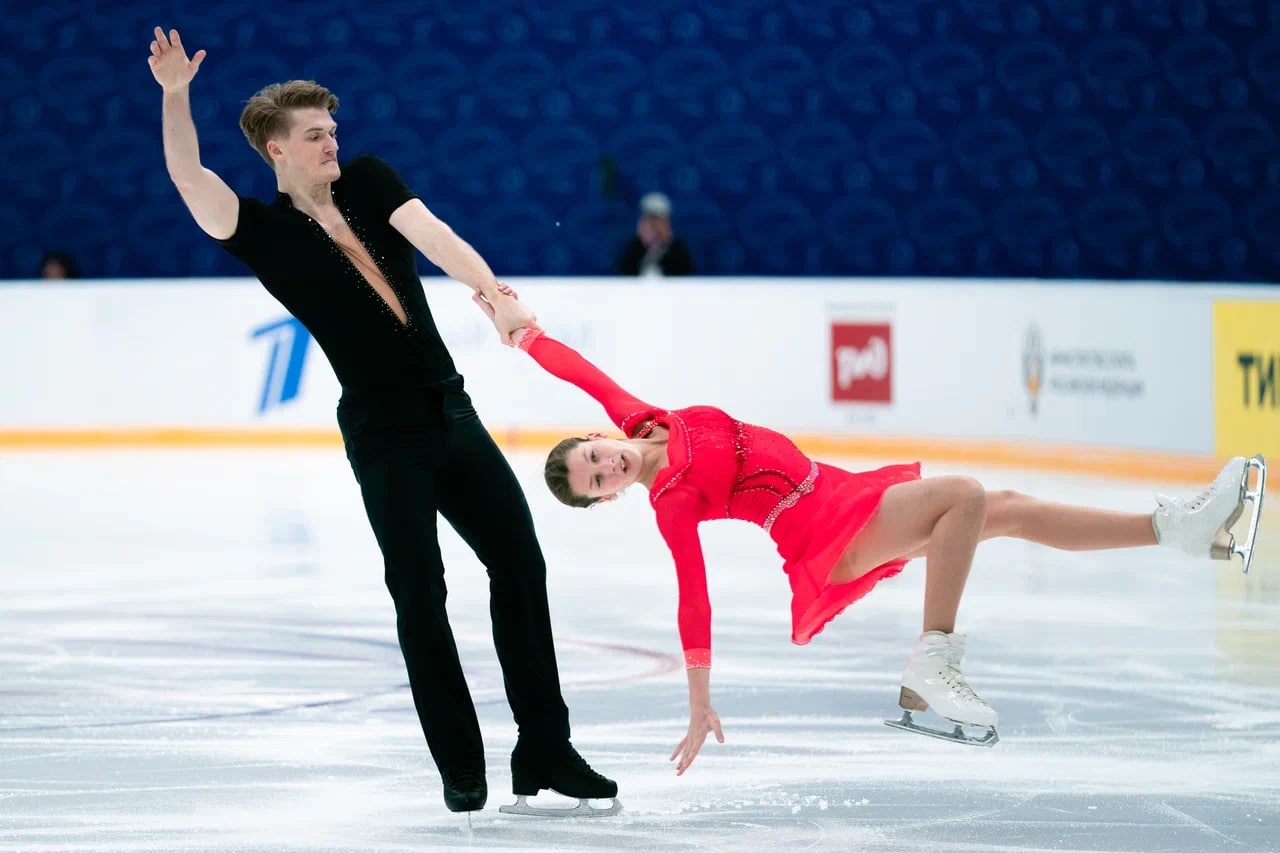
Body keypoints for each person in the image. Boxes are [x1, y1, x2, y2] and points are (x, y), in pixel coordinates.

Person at [473, 291, 1266, 771]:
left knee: (1008, 506)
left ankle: (1174, 529)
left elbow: (578, 368)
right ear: (608, 499)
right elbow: (694, 600)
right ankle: (933, 660)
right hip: (823, 530)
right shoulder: (671, 501)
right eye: (598, 481)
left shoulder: (640, 417)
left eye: (594, 457)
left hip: (837, 490)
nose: (606, 466)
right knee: (965, 497)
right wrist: (698, 700)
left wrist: (520, 330)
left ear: (597, 438)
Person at [146, 27, 618, 817]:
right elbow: (188, 175)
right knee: (420, 595)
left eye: (332, 129)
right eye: (314, 135)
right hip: (383, 430)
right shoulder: (261, 233)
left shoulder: (368, 178)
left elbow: (435, 236)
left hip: (450, 406)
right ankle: (460, 765)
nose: (332, 142)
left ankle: (545, 746)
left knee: (520, 563)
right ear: (276, 150)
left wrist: (496, 295)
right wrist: (174, 94)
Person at [616, 192, 695, 277]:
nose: (655, 224)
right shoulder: (635, 244)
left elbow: (685, 271)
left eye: (659, 220)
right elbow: (625, 271)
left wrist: (666, 242)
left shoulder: (677, 246)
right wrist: (642, 242)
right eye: (650, 219)